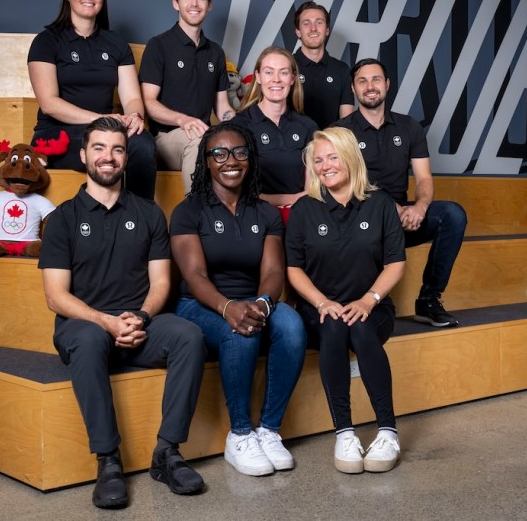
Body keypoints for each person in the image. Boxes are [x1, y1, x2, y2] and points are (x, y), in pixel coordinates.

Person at [39, 116, 206, 509]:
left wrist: (142, 318)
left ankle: (167, 452)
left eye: (116, 149)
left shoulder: (149, 213)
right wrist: (106, 321)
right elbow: (55, 296)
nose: (107, 157)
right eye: (98, 148)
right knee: (88, 336)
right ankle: (108, 461)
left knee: (189, 335)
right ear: (83, 155)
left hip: (139, 324)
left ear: (127, 158)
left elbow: (161, 283)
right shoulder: (62, 218)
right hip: (86, 326)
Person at [170, 122, 306, 476]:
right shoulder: (189, 211)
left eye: (240, 152)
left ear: (251, 158)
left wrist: (263, 302)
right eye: (220, 153)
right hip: (198, 305)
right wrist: (228, 307)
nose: (231, 160)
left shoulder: (265, 212)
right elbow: (194, 276)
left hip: (252, 299)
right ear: (207, 161)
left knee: (291, 324)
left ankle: (269, 430)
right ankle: (240, 434)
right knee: (240, 330)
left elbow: (274, 271)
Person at [285, 127, 406, 474]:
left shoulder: (380, 204)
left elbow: (395, 263)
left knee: (363, 328)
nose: (325, 166)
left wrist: (369, 300)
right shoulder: (305, 210)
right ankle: (345, 433)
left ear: (350, 156)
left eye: (332, 156)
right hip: (320, 308)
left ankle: (388, 431)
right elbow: (294, 270)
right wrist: (323, 303)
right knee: (335, 327)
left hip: (374, 305)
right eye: (318, 160)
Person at [332, 58, 467, 327]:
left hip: (401, 218)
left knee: (452, 214)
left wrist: (420, 206)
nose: (370, 86)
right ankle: (369, 304)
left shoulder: (409, 127)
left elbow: (424, 177)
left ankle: (428, 301)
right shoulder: (341, 131)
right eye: (362, 81)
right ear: (354, 89)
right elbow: (348, 184)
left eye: (376, 80)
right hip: (360, 222)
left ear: (387, 84)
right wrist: (390, 208)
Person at [27, 0, 157, 200]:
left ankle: (141, 220)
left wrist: (135, 117)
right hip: (57, 135)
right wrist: (103, 121)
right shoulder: (47, 41)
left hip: (103, 130)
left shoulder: (116, 43)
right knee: (104, 145)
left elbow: (132, 98)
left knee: (143, 142)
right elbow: (49, 104)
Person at [140, 0, 235, 192]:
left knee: (237, 142)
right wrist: (182, 120)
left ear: (209, 5)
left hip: (204, 136)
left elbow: (223, 108)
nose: (194, 3)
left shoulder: (216, 52)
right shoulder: (158, 45)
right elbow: (148, 102)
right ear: (176, 3)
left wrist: (244, 127)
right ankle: (195, 218)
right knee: (198, 140)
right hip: (166, 139)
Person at [234, 46, 317, 210]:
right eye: (268, 72)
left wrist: (298, 203)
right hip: (253, 215)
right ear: (258, 77)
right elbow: (237, 191)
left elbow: (311, 191)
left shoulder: (308, 127)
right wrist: (291, 198)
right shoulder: (238, 126)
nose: (276, 79)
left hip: (299, 215)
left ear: (293, 78)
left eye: (284, 72)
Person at [292, 1, 355, 129]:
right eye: (306, 23)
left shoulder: (342, 70)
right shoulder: (286, 66)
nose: (313, 28)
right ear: (298, 32)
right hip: (292, 147)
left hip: (331, 146)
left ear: (327, 30)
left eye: (319, 22)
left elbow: (346, 124)